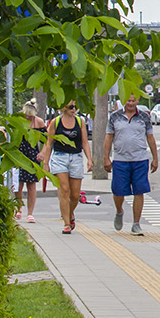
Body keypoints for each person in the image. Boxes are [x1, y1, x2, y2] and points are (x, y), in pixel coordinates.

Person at [104, 93, 160, 234]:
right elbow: (109, 137)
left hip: (140, 159)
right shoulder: (115, 117)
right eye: (128, 100)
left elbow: (150, 137)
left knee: (139, 191)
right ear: (123, 101)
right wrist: (106, 158)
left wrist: (155, 158)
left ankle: (136, 223)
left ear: (138, 101)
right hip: (120, 160)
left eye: (133, 100)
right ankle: (119, 211)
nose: (130, 103)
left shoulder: (144, 117)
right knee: (118, 191)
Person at [39, 100, 93, 234]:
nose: (73, 109)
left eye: (75, 107)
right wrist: (46, 163)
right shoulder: (55, 122)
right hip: (59, 157)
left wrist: (89, 160)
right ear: (63, 108)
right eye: (70, 107)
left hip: (76, 157)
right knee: (64, 189)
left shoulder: (80, 122)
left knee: (75, 195)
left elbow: (85, 142)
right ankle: (67, 223)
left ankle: (69, 213)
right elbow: (49, 143)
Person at [15, 101, 47, 223]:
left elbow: (46, 140)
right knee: (18, 183)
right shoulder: (18, 119)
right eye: (26, 115)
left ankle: (30, 213)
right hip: (19, 154)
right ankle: (18, 208)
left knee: (31, 184)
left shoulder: (39, 122)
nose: (28, 118)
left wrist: (42, 153)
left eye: (30, 116)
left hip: (32, 154)